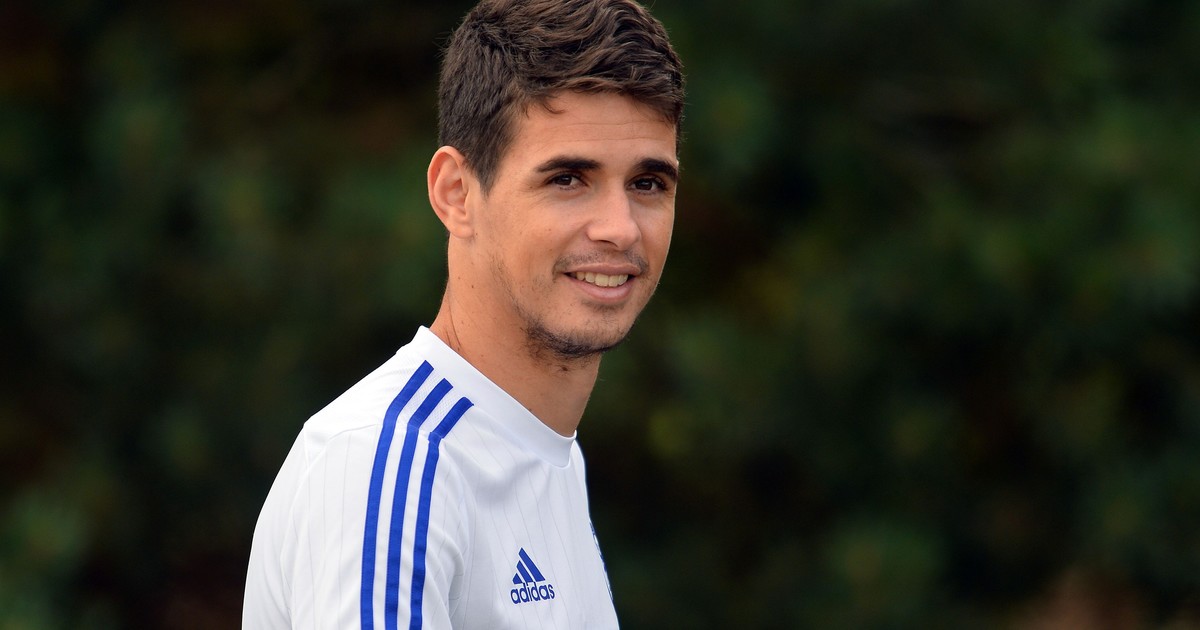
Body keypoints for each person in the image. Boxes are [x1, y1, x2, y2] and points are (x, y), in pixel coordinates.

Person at [243, 0, 684, 627]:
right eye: (567, 179)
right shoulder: (386, 465)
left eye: (647, 184)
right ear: (456, 194)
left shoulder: (548, 453)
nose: (620, 228)